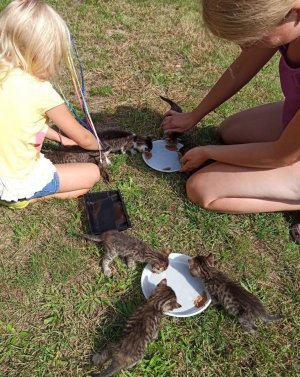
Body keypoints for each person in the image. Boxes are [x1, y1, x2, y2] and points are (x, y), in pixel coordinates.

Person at [162, 0, 300, 214]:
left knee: (202, 189)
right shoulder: (286, 18)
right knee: (231, 131)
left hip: (288, 150)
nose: (245, 46)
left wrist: (210, 152)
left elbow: (281, 154)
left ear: (295, 13)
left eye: (252, 36)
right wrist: (194, 115)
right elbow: (241, 67)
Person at [0, 0, 101, 210]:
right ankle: (27, 198)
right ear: (43, 53)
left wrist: (60, 138)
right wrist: (99, 145)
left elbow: (20, 122)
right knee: (92, 175)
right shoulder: (42, 91)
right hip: (16, 183)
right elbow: (82, 137)